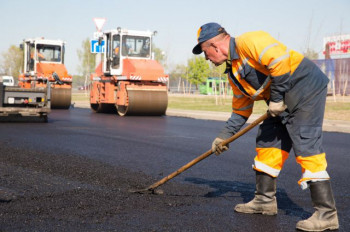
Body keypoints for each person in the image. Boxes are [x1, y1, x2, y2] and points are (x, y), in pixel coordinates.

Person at [192, 22, 339, 231]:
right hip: (279, 102)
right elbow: (241, 111)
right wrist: (223, 136)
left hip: (305, 88)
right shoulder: (234, 72)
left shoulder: (249, 41)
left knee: (306, 143)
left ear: (214, 46)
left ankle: (327, 214)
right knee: (267, 141)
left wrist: (277, 99)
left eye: (205, 52)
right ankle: (264, 200)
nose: (206, 58)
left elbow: (279, 61)